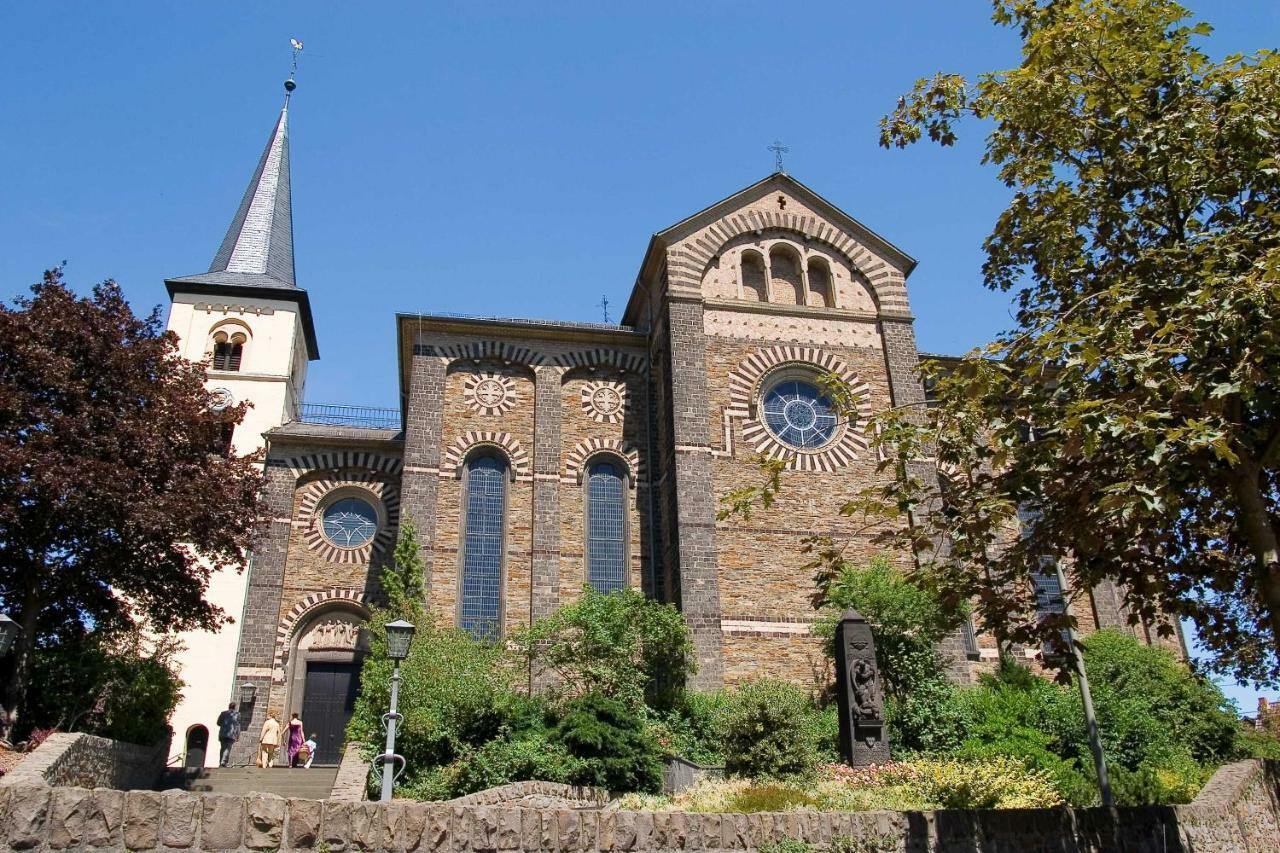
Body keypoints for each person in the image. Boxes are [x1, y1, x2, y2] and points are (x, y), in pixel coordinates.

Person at [215, 703, 241, 768]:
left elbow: (218, 723)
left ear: (229, 707)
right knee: (227, 748)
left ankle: (221, 762)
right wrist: (238, 735)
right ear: (235, 707)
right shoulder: (237, 714)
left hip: (223, 733)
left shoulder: (223, 713)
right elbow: (238, 725)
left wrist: (224, 725)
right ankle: (223, 762)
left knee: (222, 748)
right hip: (231, 734)